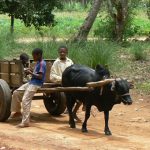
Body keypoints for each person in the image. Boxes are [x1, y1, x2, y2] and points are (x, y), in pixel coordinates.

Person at [10, 48, 46, 128]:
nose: (33, 58)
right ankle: (17, 112)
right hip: (31, 82)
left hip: (36, 84)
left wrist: (30, 73)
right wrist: (31, 70)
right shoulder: (38, 63)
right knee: (16, 93)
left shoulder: (42, 64)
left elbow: (40, 77)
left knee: (25, 100)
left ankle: (25, 122)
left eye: (34, 56)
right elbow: (37, 73)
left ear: (39, 55)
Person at [50, 46, 82, 122]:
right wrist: (63, 79)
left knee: (81, 96)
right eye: (60, 52)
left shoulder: (70, 62)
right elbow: (52, 76)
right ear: (58, 53)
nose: (62, 53)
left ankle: (74, 112)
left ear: (67, 53)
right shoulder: (56, 63)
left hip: (71, 83)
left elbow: (74, 72)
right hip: (61, 83)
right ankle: (71, 113)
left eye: (64, 52)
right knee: (69, 98)